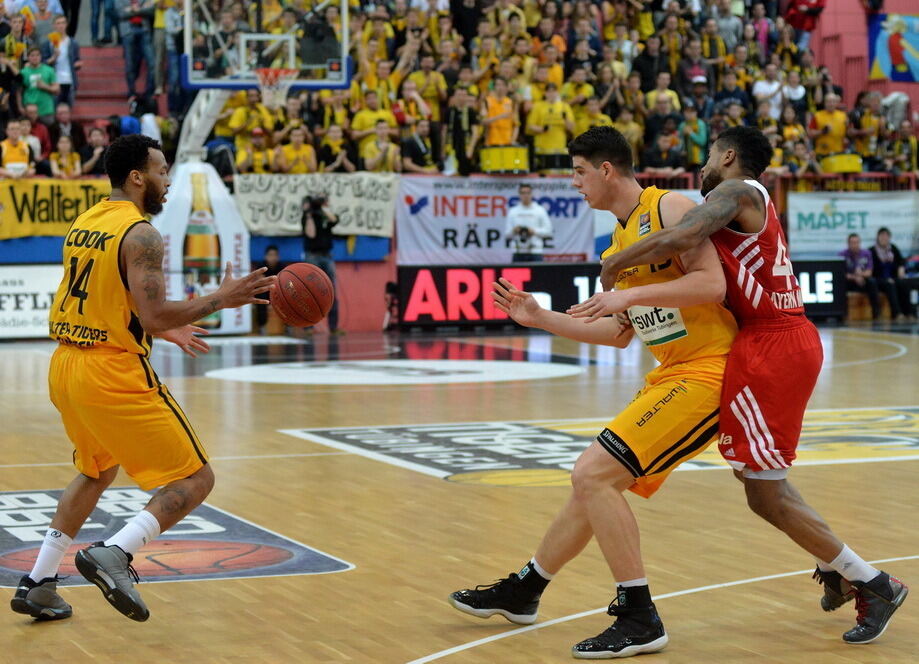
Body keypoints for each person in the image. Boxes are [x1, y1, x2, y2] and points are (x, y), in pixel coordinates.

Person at [577, 126, 909, 645]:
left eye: (710, 153)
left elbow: (687, 235)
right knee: (761, 487)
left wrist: (618, 262)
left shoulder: (739, 192)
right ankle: (843, 569)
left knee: (764, 491)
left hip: (775, 342)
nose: (704, 163)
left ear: (729, 155)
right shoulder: (734, 199)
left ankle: (870, 580)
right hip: (765, 342)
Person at [451, 126, 738, 659]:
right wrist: (540, 318)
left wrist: (627, 292)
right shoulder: (617, 244)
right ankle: (527, 589)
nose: (575, 183)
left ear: (607, 170)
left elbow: (711, 285)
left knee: (592, 473)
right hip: (672, 373)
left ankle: (639, 614)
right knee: (593, 484)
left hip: (711, 372)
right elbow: (618, 332)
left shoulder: (670, 209)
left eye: (579, 171)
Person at [10, 134, 274, 622]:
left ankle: (39, 582)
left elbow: (111, 297)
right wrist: (224, 298)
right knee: (196, 478)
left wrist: (165, 328)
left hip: (66, 364)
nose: (167, 181)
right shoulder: (142, 233)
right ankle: (116, 551)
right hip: (110, 372)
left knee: (96, 471)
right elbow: (151, 314)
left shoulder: (87, 220)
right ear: (137, 177)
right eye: (161, 170)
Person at [301, 194, 341, 333]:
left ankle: (333, 327)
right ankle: (309, 327)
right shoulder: (307, 217)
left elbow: (334, 219)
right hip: (312, 256)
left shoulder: (326, 216)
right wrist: (309, 215)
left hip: (327, 256)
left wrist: (322, 209)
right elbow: (311, 234)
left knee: (331, 291)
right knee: (310, 291)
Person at [871, 227, 916, 320]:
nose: (884, 238)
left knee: (903, 284)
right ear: (878, 237)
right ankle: (897, 313)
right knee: (890, 284)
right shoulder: (872, 251)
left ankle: (909, 312)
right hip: (879, 279)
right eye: (882, 236)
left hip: (893, 277)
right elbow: (872, 269)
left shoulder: (893, 249)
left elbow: (901, 261)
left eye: (886, 236)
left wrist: (901, 268)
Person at [503, 183, 553, 262]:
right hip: (518, 251)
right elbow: (507, 234)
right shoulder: (513, 211)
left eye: (528, 193)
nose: (525, 195)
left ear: (531, 194)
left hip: (535, 251)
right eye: (523, 193)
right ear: (519, 195)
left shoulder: (539, 210)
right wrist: (514, 230)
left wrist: (533, 231)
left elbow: (548, 231)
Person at [254, 244, 285, 333]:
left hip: (277, 292)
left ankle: (288, 325)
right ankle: (262, 325)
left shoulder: (282, 267)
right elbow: (262, 281)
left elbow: (284, 283)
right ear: (266, 256)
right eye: (270, 255)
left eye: (275, 255)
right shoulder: (261, 266)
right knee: (261, 296)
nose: (273, 257)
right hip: (265, 291)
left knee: (288, 296)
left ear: (278, 257)